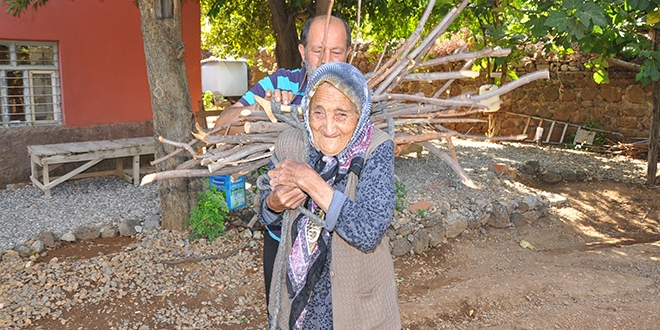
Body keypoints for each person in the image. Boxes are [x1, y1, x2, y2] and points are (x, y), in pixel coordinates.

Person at [212, 15, 352, 309]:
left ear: (348, 54)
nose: (327, 60)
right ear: (302, 52)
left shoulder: (359, 95)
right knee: (281, 313)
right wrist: (267, 110)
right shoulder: (280, 82)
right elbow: (221, 128)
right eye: (318, 51)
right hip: (282, 230)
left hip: (340, 235)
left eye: (336, 52)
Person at [259, 62, 401, 329]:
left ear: (360, 114)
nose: (328, 127)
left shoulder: (375, 148)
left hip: (354, 300)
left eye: (342, 115)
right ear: (307, 112)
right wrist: (275, 203)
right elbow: (264, 212)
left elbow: (369, 230)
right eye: (319, 112)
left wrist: (311, 182)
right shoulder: (291, 143)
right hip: (296, 294)